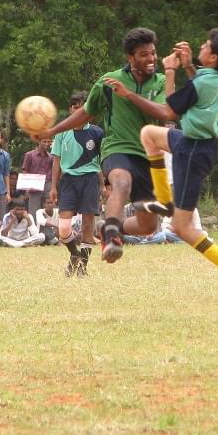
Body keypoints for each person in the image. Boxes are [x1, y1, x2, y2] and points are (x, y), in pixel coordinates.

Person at [106, 28, 218, 308]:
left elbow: (169, 112)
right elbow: (200, 85)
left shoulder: (200, 83)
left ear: (212, 57)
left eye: (205, 45)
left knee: (182, 228)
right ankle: (163, 201)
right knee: (149, 135)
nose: (200, 45)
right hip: (191, 140)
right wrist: (187, 66)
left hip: (193, 151)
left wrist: (171, 72)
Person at [38, 27, 169, 263]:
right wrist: (53, 130)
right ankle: (111, 238)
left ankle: (107, 227)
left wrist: (128, 95)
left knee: (148, 225)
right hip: (117, 148)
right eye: (143, 54)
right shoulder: (108, 82)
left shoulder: (160, 81)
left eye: (153, 53)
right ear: (130, 57)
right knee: (121, 182)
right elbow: (86, 113)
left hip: (149, 155)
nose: (151, 59)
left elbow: (164, 113)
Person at [49, 90, 105, 276]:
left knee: (88, 226)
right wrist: (53, 187)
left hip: (89, 180)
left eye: (81, 105)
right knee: (63, 228)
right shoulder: (62, 132)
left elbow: (101, 163)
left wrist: (104, 185)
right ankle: (75, 254)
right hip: (68, 181)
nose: (77, 108)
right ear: (70, 109)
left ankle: (83, 268)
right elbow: (56, 160)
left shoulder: (96, 133)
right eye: (74, 105)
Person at [21, 137, 53, 218]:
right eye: (44, 141)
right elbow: (25, 171)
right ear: (39, 141)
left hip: (47, 184)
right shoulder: (29, 155)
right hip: (34, 185)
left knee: (47, 210)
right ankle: (33, 229)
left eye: (48, 142)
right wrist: (27, 189)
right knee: (34, 211)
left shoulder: (51, 157)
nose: (46, 143)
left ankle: (46, 229)